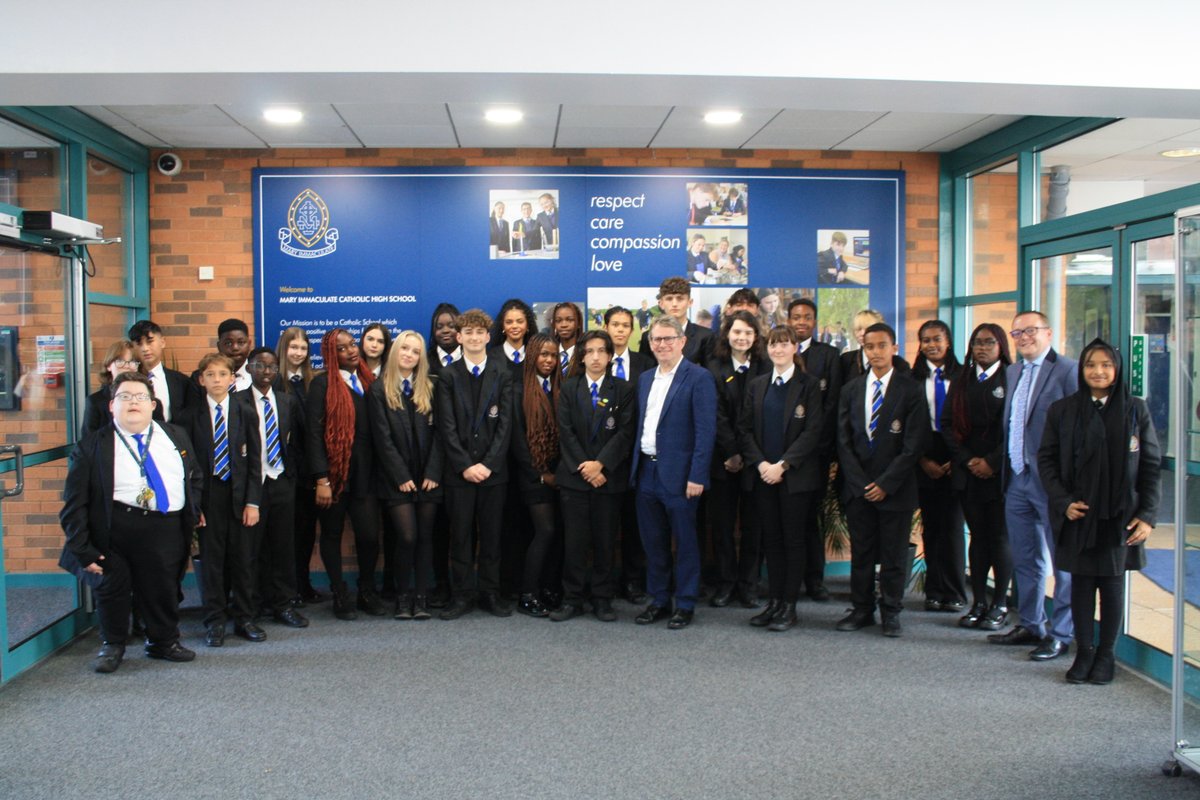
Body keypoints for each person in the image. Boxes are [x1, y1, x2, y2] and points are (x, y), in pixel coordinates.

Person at [59, 371, 202, 673]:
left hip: (167, 528)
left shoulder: (175, 434)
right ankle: (112, 645)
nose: (133, 402)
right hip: (116, 530)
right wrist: (82, 548)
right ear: (112, 406)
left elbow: (195, 476)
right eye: (125, 397)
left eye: (140, 397)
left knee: (162, 588)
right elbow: (74, 504)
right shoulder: (92, 447)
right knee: (112, 589)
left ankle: (163, 642)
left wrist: (193, 506)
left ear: (153, 404)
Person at [1038, 339, 1160, 684]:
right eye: (1091, 364)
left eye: (1106, 365)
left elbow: (1150, 465)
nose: (1099, 371)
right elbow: (1046, 461)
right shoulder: (1063, 410)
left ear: (1117, 370)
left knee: (1111, 585)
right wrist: (1063, 502)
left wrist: (1148, 515)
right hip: (1078, 513)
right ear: (1082, 369)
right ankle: (1084, 653)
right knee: (1080, 585)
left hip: (1119, 516)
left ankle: (1106, 656)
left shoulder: (1135, 410)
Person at [988, 311, 1078, 661]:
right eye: (1017, 332)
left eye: (1030, 330)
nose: (1023, 337)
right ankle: (1031, 623)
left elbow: (1078, 429)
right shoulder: (1013, 371)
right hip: (1017, 479)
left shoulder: (1068, 371)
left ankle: (1061, 633)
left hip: (1053, 483)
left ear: (1048, 333)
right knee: (1026, 558)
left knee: (1062, 561)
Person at [836, 322, 928, 638]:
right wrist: (862, 483)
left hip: (896, 489)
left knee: (892, 554)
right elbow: (843, 440)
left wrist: (886, 483)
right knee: (861, 552)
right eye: (869, 347)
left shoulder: (911, 389)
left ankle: (891, 611)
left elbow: (914, 443)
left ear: (894, 348)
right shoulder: (851, 389)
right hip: (859, 489)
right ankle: (862, 609)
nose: (875, 352)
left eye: (881, 346)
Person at [630, 315, 718, 630]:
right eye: (656, 339)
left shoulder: (699, 377)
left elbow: (706, 433)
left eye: (669, 338)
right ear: (650, 343)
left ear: (682, 342)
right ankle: (658, 600)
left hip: (681, 478)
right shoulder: (645, 378)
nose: (662, 344)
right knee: (653, 543)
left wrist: (697, 476)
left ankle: (685, 603)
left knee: (685, 543)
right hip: (646, 473)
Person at [739, 325, 824, 631]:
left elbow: (813, 431)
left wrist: (783, 465)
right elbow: (744, 429)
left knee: (793, 541)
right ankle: (773, 602)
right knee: (771, 541)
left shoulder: (809, 385)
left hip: (794, 479)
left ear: (794, 348)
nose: (778, 350)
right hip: (763, 476)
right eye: (773, 345)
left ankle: (789, 605)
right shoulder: (757, 384)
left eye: (784, 344)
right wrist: (761, 464)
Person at [435, 309, 514, 619]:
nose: (474, 337)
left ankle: (491, 593)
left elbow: (505, 424)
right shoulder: (447, 375)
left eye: (479, 332)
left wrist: (489, 464)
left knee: (492, 536)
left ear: (488, 337)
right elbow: (446, 426)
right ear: (459, 337)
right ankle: (462, 595)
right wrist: (466, 465)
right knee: (461, 536)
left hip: (494, 473)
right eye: (467, 333)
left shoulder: (502, 373)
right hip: (460, 474)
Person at [554, 330, 636, 621]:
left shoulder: (624, 389)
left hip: (608, 479)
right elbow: (565, 432)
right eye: (590, 351)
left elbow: (625, 433)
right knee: (574, 543)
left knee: (604, 542)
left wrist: (600, 465)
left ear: (610, 356)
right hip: (575, 479)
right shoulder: (569, 387)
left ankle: (602, 598)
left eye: (602, 351)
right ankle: (572, 598)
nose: (596, 357)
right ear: (582, 356)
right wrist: (586, 468)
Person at [185, 353, 263, 647]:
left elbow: (255, 461)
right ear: (201, 379)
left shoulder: (245, 411)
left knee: (243, 561)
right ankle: (214, 621)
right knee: (213, 563)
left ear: (233, 378)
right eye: (210, 375)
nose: (216, 380)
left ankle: (245, 618)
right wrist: (195, 507)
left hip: (240, 496)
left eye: (222, 374)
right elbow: (187, 467)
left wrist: (253, 502)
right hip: (208, 499)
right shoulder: (190, 416)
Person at [308, 327, 384, 620]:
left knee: (368, 537)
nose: (352, 350)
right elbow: (314, 436)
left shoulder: (370, 381)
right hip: (334, 477)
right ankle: (340, 593)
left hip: (366, 475)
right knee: (331, 534)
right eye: (342, 348)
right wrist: (321, 479)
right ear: (330, 354)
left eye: (352, 344)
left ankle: (366, 591)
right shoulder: (322, 385)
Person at [368, 330, 444, 621]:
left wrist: (434, 471)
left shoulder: (431, 387)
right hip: (396, 477)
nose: (409, 355)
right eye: (405, 349)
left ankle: (421, 598)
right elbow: (382, 439)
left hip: (428, 477)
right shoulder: (378, 389)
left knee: (425, 537)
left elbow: (441, 434)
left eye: (415, 351)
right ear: (395, 351)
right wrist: (400, 474)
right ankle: (402, 598)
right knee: (407, 536)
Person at [942, 323, 1012, 630]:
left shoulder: (1012, 378)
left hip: (998, 474)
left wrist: (992, 462)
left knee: (999, 538)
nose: (981, 348)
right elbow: (947, 425)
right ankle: (979, 602)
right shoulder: (962, 379)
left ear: (1001, 346)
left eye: (988, 343)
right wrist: (969, 460)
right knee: (978, 538)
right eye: (976, 343)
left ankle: (1000, 603)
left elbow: (1016, 428)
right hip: (968, 472)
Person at [239, 347, 309, 630]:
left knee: (283, 546)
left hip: (281, 480)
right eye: (259, 366)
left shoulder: (286, 401)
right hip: (252, 486)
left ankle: (283, 604)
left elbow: (298, 442)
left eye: (271, 366)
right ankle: (252, 606)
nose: (266, 372)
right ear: (249, 369)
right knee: (252, 549)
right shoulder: (237, 402)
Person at [705, 309, 768, 609]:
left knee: (754, 527)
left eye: (748, 332)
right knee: (723, 526)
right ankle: (726, 583)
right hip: (722, 461)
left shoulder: (766, 366)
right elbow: (714, 415)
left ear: (756, 337)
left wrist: (749, 455)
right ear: (727, 334)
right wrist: (731, 452)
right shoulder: (714, 368)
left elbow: (765, 415)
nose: (741, 337)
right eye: (736, 331)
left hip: (758, 461)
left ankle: (749, 585)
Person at [786, 297, 842, 601]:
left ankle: (815, 581)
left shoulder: (829, 355)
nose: (801, 322)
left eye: (807, 317)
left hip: (816, 455)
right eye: (796, 317)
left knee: (812, 520)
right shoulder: (778, 354)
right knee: (790, 521)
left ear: (815, 321)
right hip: (784, 458)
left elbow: (831, 404)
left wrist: (820, 449)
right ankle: (788, 581)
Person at [911, 319, 967, 613]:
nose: (932, 345)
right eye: (926, 340)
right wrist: (923, 460)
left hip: (957, 455)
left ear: (948, 342)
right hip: (925, 455)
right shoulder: (913, 378)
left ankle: (955, 591)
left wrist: (956, 459)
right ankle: (933, 590)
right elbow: (909, 424)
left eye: (937, 339)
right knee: (931, 527)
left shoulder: (963, 376)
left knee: (953, 528)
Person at [509, 333, 564, 618]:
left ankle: (549, 589)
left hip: (560, 473)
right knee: (545, 531)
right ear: (532, 356)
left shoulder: (560, 387)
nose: (548, 360)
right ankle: (527, 594)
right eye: (543, 354)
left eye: (553, 355)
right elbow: (517, 440)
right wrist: (541, 474)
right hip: (533, 475)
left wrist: (558, 473)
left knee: (558, 535)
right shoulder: (518, 389)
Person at [605, 306, 653, 603]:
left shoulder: (645, 364)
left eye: (626, 325)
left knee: (634, 525)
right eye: (615, 324)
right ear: (606, 327)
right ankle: (606, 583)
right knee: (606, 526)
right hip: (603, 460)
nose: (620, 330)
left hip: (636, 458)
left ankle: (633, 581)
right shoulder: (595, 361)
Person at [275, 326, 324, 606]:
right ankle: (286, 589)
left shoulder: (312, 382)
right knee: (284, 534)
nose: (298, 352)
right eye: (293, 347)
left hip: (308, 471)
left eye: (303, 348)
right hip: (282, 471)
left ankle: (303, 584)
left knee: (306, 532)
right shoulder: (274, 382)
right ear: (284, 349)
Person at [128, 319, 196, 423]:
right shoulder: (126, 381)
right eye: (139, 344)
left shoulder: (182, 382)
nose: (145, 348)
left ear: (162, 342)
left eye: (149, 341)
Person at [637, 277, 714, 364]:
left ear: (690, 302)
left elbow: (710, 375)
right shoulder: (647, 337)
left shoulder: (705, 336)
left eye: (680, 299)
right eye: (669, 299)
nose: (674, 304)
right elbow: (645, 373)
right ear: (661, 303)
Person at [82, 339, 139, 437]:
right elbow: (87, 443)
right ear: (109, 366)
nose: (127, 366)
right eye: (120, 361)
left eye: (132, 362)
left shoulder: (147, 399)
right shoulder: (95, 402)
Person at [839, 309, 910, 378]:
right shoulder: (846, 360)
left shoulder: (899, 364)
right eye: (859, 329)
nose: (862, 333)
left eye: (868, 328)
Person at [489, 298, 536, 369]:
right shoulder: (490, 357)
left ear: (528, 325)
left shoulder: (535, 356)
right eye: (509, 322)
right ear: (503, 326)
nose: (514, 326)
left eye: (520, 321)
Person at [427, 302, 462, 377]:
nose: (445, 330)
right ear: (433, 331)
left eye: (451, 326)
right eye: (439, 327)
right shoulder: (425, 362)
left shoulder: (470, 358)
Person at [552, 301, 583, 375]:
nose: (564, 325)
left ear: (578, 323)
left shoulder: (585, 353)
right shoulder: (550, 352)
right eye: (558, 321)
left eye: (570, 320)